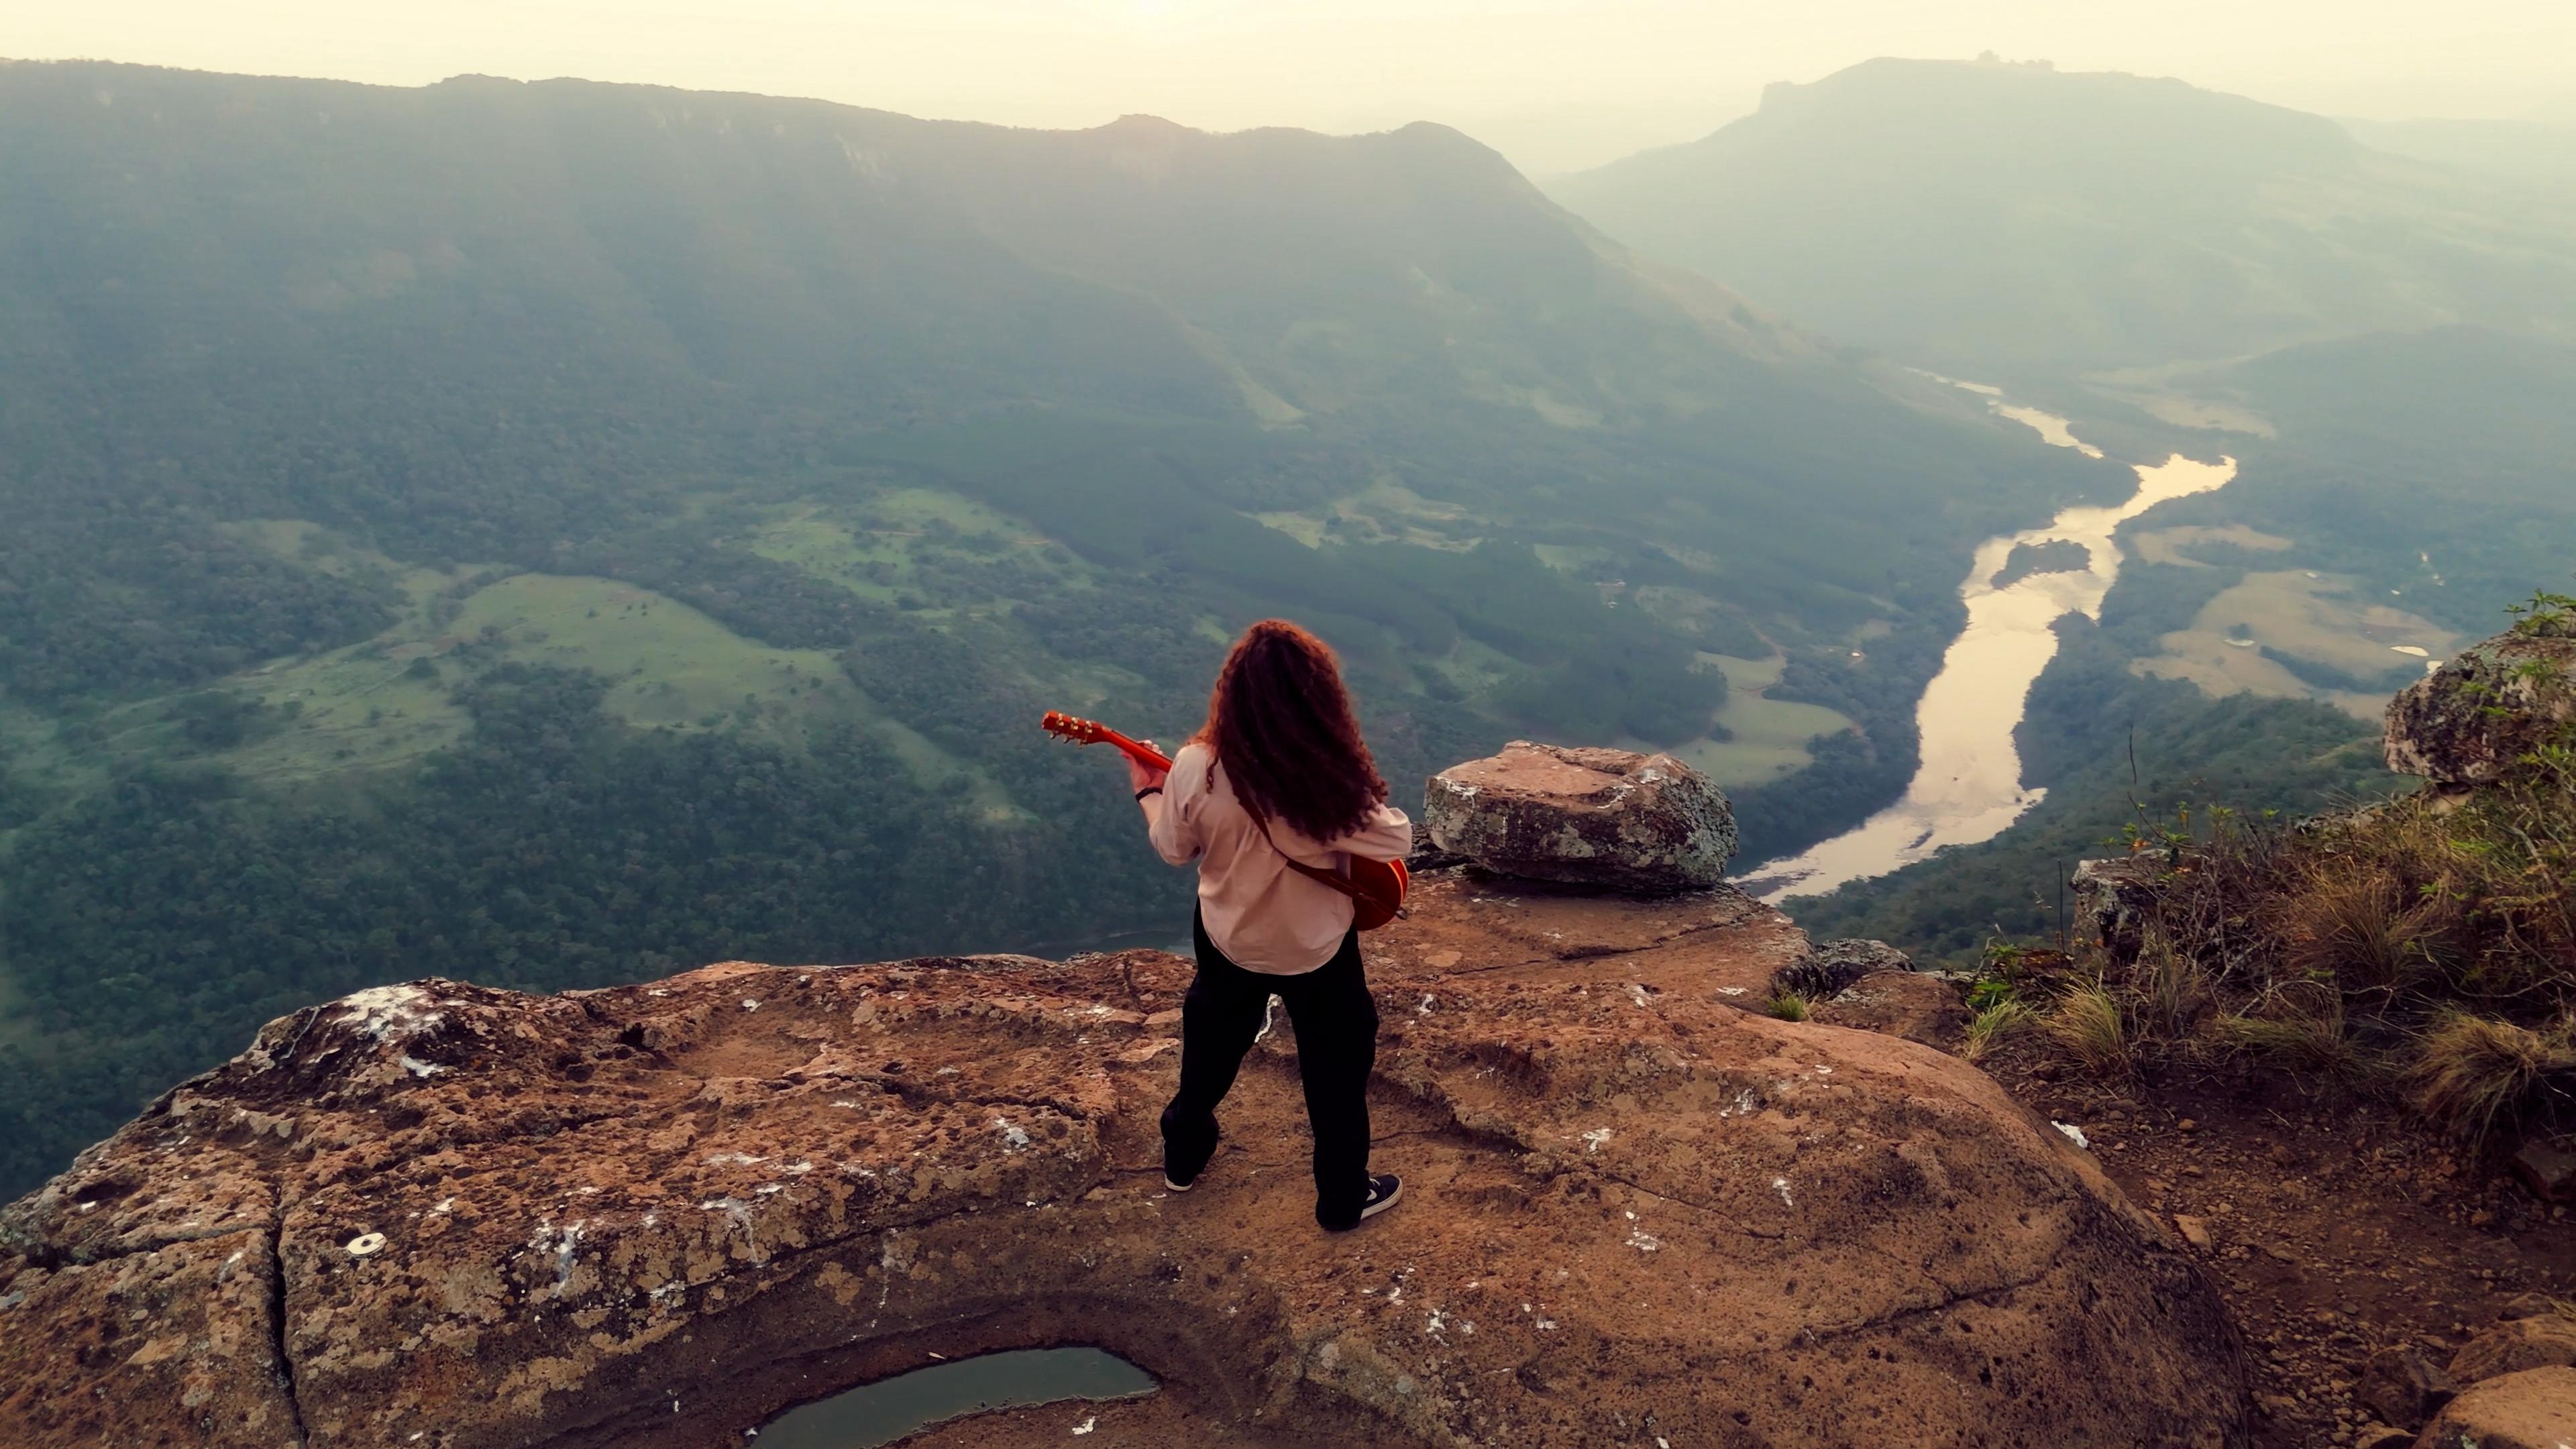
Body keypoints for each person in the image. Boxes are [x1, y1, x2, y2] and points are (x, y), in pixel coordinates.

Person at [1122, 619, 1412, 1231]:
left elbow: (1176, 850)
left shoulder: (1197, 766)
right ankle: (1340, 1200)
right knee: (1336, 1074)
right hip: (1317, 950)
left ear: (1233, 693)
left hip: (1229, 939)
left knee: (1210, 1049)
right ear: (1320, 701)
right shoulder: (1329, 787)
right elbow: (1397, 837)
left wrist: (1149, 791)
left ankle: (1183, 1157)